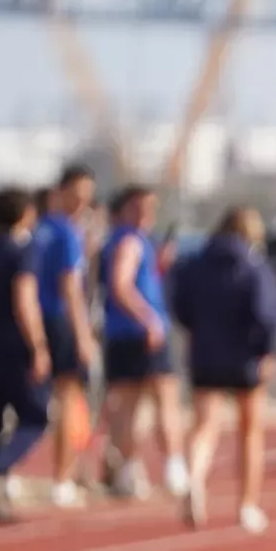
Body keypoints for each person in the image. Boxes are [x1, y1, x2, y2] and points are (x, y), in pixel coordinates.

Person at [172, 205, 276, 534]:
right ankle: (247, 504)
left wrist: (197, 330)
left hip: (205, 352)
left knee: (204, 425)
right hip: (245, 355)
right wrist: (265, 350)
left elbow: (180, 305)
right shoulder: (253, 264)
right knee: (250, 430)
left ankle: (195, 478)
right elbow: (265, 311)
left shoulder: (194, 263)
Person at [98, 185, 187, 500]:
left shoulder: (123, 241)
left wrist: (159, 267)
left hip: (120, 335)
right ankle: (174, 468)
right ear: (123, 210)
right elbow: (120, 286)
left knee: (129, 407)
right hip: (141, 334)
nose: (147, 214)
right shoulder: (129, 241)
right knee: (164, 400)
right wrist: (148, 318)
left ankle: (127, 472)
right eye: (139, 208)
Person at [0, 187, 51, 522]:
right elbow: (25, 300)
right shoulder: (21, 250)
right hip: (11, 347)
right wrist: (38, 347)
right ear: (25, 215)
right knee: (36, 417)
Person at [33, 164, 98, 509]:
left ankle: (9, 474)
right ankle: (62, 478)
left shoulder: (37, 229)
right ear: (60, 193)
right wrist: (83, 335)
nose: (82, 204)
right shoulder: (66, 233)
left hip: (34, 318)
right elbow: (70, 288)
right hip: (60, 320)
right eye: (77, 196)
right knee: (66, 398)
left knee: (29, 398)